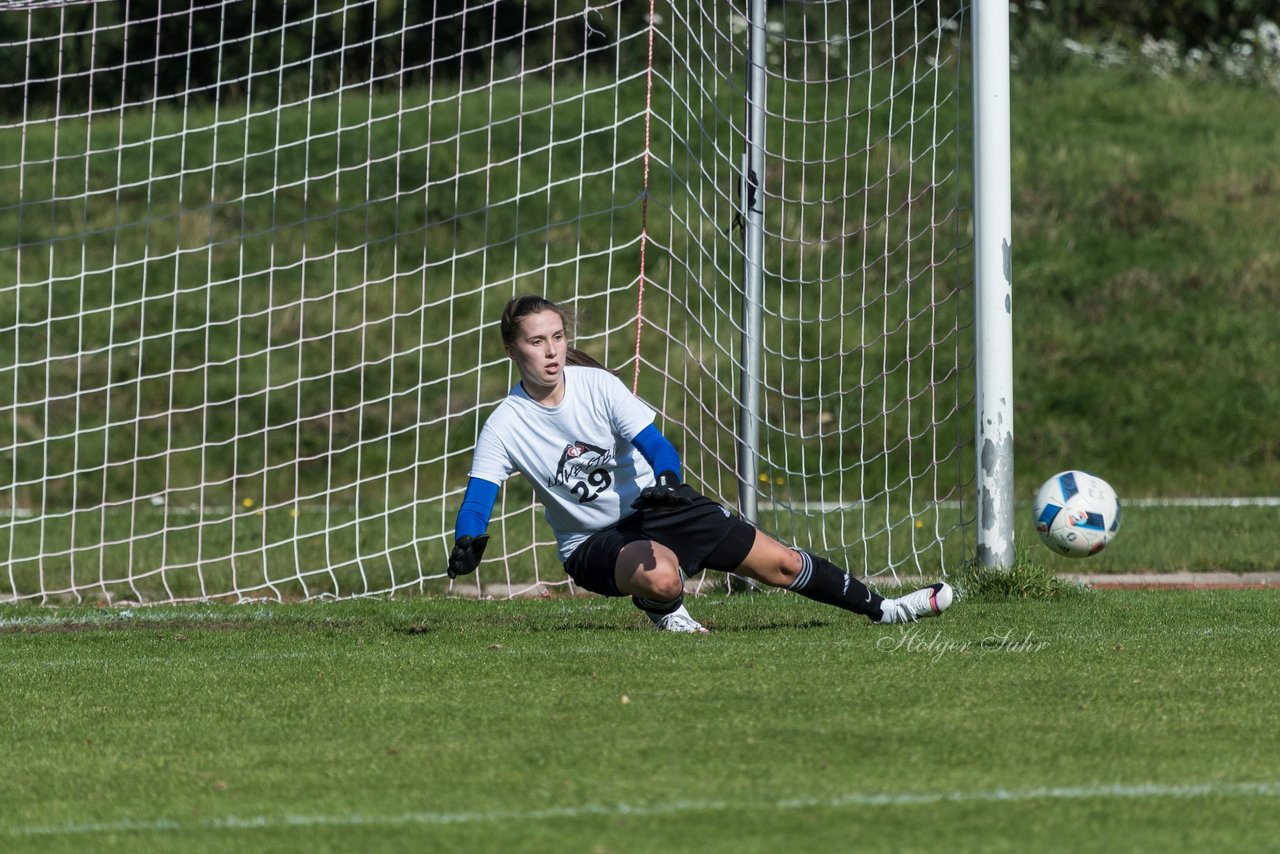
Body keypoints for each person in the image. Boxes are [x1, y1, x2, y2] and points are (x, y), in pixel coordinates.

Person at [447, 294, 953, 633]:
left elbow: (657, 446)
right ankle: (664, 609)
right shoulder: (506, 423)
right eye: (537, 342)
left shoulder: (597, 386)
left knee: (784, 565)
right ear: (513, 350)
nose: (552, 351)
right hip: (592, 542)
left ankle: (884, 609)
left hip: (659, 506)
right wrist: (468, 539)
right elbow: (478, 498)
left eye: (557, 336)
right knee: (664, 579)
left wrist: (667, 480)